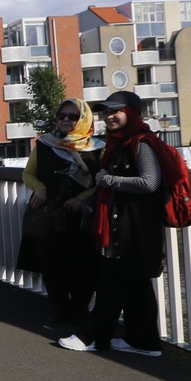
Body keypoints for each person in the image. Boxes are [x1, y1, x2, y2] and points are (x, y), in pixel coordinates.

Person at [58, 91, 165, 357]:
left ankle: (93, 336)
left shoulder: (141, 143)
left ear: (132, 113)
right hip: (129, 226)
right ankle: (145, 341)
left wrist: (108, 180)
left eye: (115, 111)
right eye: (106, 112)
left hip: (133, 229)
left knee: (111, 284)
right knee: (137, 286)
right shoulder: (121, 143)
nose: (109, 117)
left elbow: (150, 182)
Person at [16, 98, 103, 325]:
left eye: (72, 116)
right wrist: (40, 188)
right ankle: (58, 307)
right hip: (51, 214)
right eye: (61, 115)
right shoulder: (46, 144)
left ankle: (80, 309)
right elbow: (28, 173)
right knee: (51, 263)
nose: (65, 120)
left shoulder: (98, 148)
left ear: (84, 119)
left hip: (82, 217)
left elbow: (101, 182)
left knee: (84, 265)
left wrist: (81, 199)